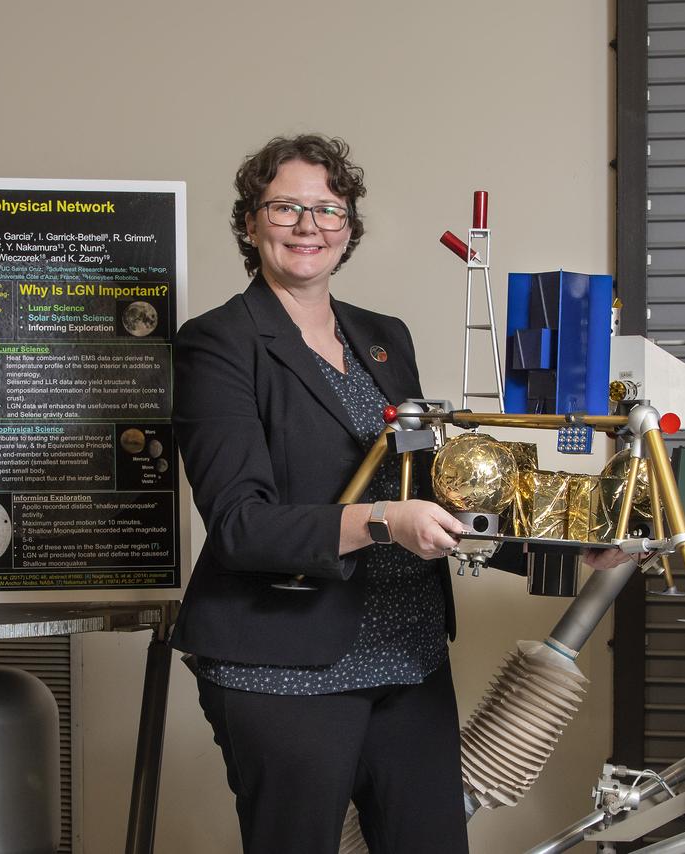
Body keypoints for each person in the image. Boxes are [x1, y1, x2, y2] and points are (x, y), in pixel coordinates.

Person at [170, 133, 473, 853]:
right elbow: (242, 526)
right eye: (286, 208)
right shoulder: (218, 343)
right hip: (283, 665)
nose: (310, 227)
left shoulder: (383, 337)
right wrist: (379, 522)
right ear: (251, 223)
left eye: (329, 210)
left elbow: (431, 488)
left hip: (410, 654)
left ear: (349, 227)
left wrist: (563, 544)